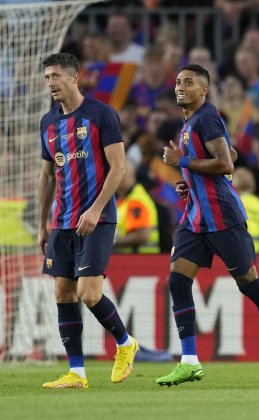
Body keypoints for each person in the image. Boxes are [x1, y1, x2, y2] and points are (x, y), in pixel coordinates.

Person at [158, 64, 259, 387]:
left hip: (223, 216)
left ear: (204, 90)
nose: (181, 86)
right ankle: (189, 361)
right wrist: (189, 181)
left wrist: (181, 163)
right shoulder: (190, 124)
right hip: (196, 217)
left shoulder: (207, 117)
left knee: (249, 283)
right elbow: (231, 154)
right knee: (177, 281)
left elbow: (226, 162)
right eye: (179, 81)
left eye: (189, 82)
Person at [38, 53, 138, 389]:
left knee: (88, 293)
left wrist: (95, 209)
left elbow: (119, 167)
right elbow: (48, 175)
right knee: (63, 293)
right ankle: (77, 373)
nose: (50, 83)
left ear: (74, 77)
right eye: (47, 77)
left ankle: (125, 343)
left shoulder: (101, 114)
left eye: (55, 76)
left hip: (98, 217)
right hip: (62, 222)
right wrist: (42, 224)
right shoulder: (48, 123)